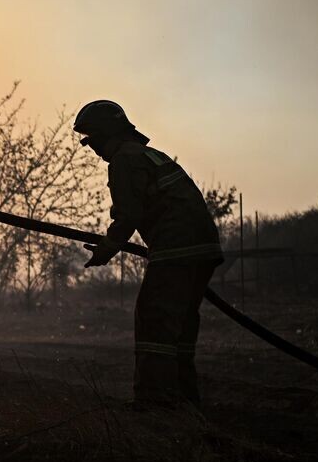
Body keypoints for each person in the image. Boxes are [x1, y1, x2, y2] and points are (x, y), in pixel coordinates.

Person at [74, 100, 224, 409]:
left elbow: (129, 214)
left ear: (106, 135)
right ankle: (185, 399)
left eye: (91, 140)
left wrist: (107, 248)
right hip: (202, 247)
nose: (92, 149)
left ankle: (154, 402)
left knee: (154, 321)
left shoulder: (124, 160)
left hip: (176, 248)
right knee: (179, 325)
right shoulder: (151, 156)